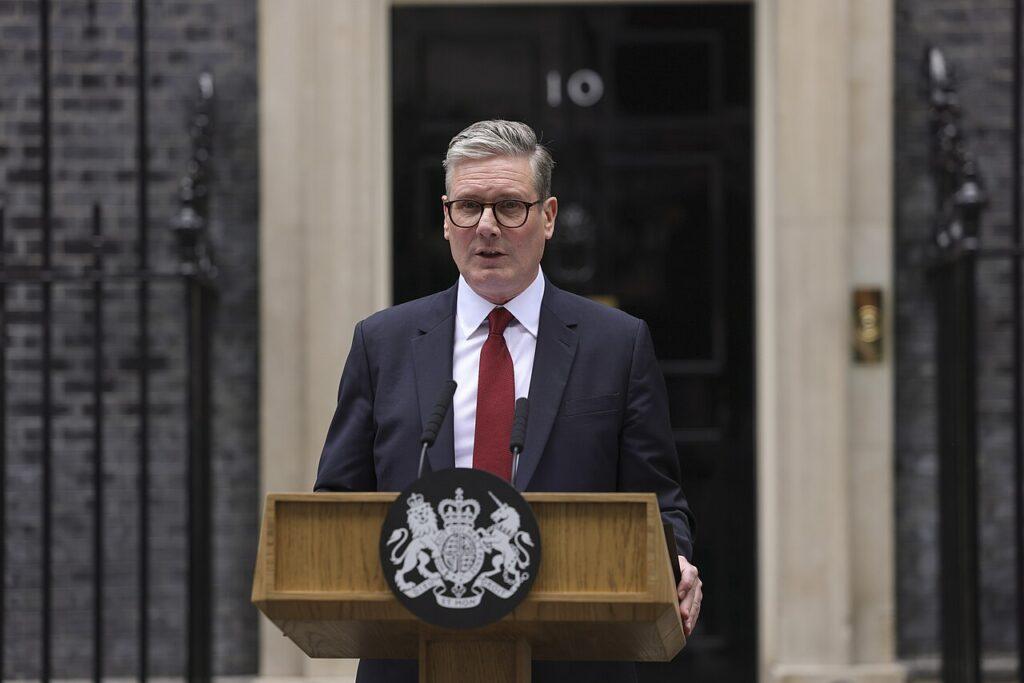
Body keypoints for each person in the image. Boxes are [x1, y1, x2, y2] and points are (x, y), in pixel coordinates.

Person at [315, 119, 702, 683]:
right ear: (445, 217)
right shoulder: (384, 343)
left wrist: (679, 558)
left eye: (509, 207)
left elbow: (660, 503)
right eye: (468, 207)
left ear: (547, 217)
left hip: (574, 658)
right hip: (414, 654)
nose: (486, 227)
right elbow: (336, 505)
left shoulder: (616, 344)